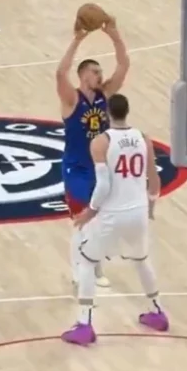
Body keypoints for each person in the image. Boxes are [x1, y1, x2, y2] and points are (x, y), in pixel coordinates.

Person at [63, 94, 166, 346]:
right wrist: (151, 205)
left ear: (108, 113)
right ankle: (157, 311)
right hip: (138, 210)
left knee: (87, 261)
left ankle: (84, 324)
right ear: (127, 111)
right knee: (141, 260)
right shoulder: (143, 138)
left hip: (113, 212)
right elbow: (154, 179)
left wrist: (90, 211)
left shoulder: (101, 142)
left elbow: (104, 185)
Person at [55, 16, 130, 293]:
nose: (100, 75)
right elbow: (60, 73)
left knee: (100, 222)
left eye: (100, 72)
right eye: (95, 71)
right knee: (83, 220)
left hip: (101, 168)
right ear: (84, 75)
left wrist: (115, 34)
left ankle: (95, 266)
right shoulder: (71, 99)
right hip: (76, 168)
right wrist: (77, 39)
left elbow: (123, 65)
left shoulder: (105, 96)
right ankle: (78, 271)